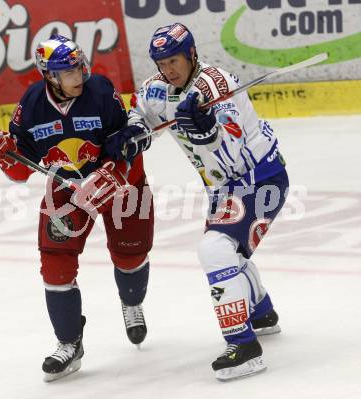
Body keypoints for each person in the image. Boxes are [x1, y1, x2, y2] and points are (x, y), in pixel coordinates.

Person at [105, 23, 289, 381]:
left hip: (259, 179)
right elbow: (141, 114)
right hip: (222, 190)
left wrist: (205, 129)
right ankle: (262, 313)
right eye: (161, 62)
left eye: (174, 60)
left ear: (191, 54)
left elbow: (234, 155)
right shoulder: (157, 88)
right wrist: (132, 133)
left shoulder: (218, 87)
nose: (168, 69)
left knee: (215, 249)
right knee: (230, 253)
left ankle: (244, 346)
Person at [0, 34, 154, 382]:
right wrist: (2, 155)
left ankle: (131, 303)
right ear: (49, 76)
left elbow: (129, 142)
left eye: (79, 65)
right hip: (66, 186)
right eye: (68, 71)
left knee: (130, 257)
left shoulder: (101, 92)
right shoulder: (31, 104)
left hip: (118, 184)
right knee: (55, 265)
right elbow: (20, 168)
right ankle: (69, 343)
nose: (79, 75)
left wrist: (114, 171)